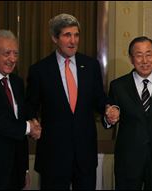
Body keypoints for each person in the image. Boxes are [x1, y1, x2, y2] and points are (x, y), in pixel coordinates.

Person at [25, 13, 115, 189]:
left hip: (85, 154)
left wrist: (108, 108)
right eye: (67, 35)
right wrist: (32, 122)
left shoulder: (90, 66)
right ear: (54, 38)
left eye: (76, 35)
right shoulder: (40, 70)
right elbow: (30, 106)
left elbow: (99, 98)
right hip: (53, 154)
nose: (73, 41)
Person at [105, 36, 152, 189]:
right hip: (128, 161)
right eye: (139, 55)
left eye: (148, 54)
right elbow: (110, 116)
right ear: (131, 59)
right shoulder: (118, 86)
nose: (144, 60)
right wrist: (110, 118)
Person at [0, 29, 41, 189]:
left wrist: (24, 169)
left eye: (16, 54)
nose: (12, 59)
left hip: (15, 172)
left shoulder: (17, 82)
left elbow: (20, 121)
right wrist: (28, 127)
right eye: (7, 53)